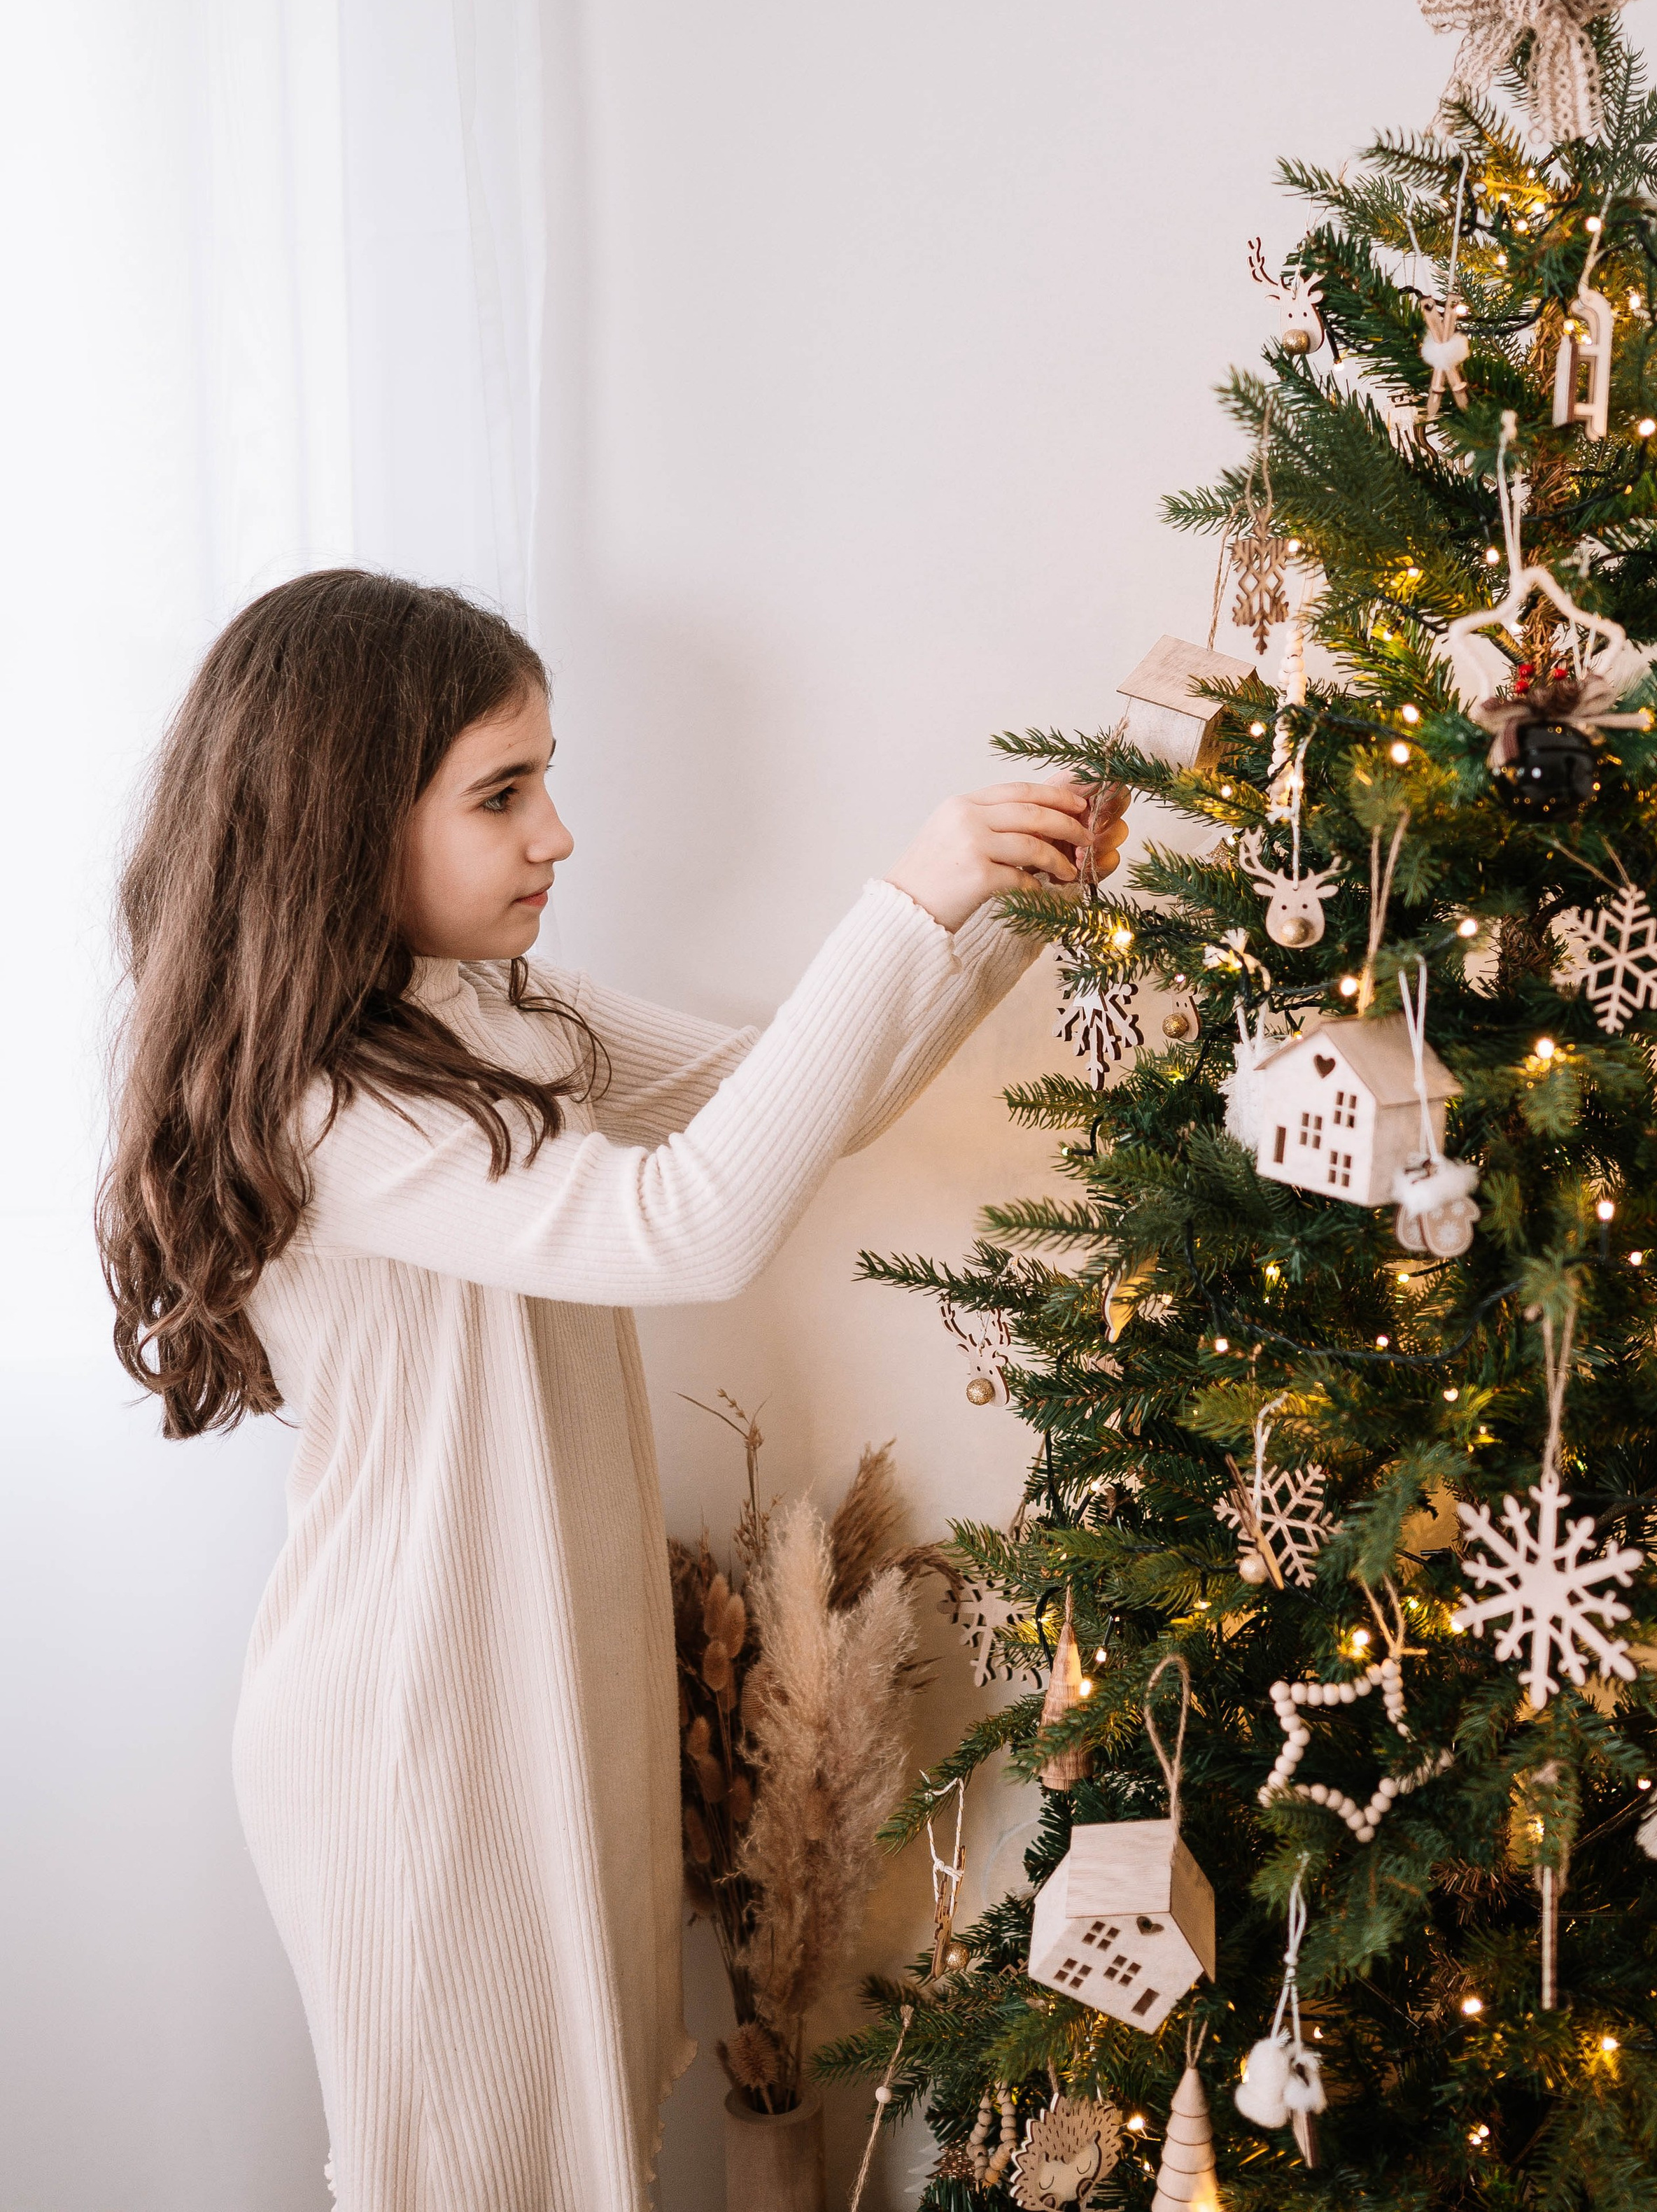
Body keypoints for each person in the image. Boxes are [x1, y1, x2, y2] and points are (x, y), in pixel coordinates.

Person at [98, 568, 1126, 2212]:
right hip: (420, 1721)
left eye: (546, 780)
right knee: (471, 2173)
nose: (556, 834)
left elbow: (801, 1099)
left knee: (580, 2155)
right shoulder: (324, 1104)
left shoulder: (504, 1011)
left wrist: (996, 907)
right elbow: (686, 1225)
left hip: (553, 1677)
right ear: (340, 821)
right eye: (501, 793)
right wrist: (900, 897)